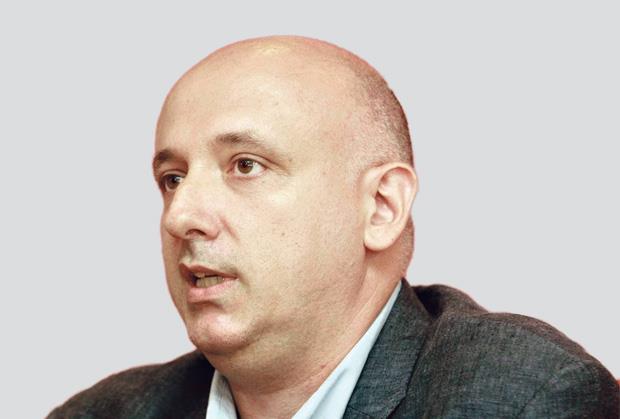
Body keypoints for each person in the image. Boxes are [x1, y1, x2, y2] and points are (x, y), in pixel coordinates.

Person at [48, 35, 619, 419]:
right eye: (172, 178)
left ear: (381, 207)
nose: (180, 216)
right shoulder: (100, 413)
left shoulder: (525, 397)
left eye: (245, 166)